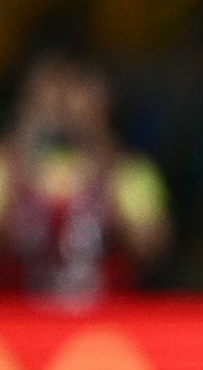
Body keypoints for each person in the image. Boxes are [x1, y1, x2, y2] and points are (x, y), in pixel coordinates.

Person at [0, 51, 169, 301]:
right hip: (19, 322)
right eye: (49, 100)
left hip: (105, 323)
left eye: (75, 99)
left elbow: (153, 249)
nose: (64, 110)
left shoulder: (129, 170)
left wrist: (109, 205)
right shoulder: (7, 166)